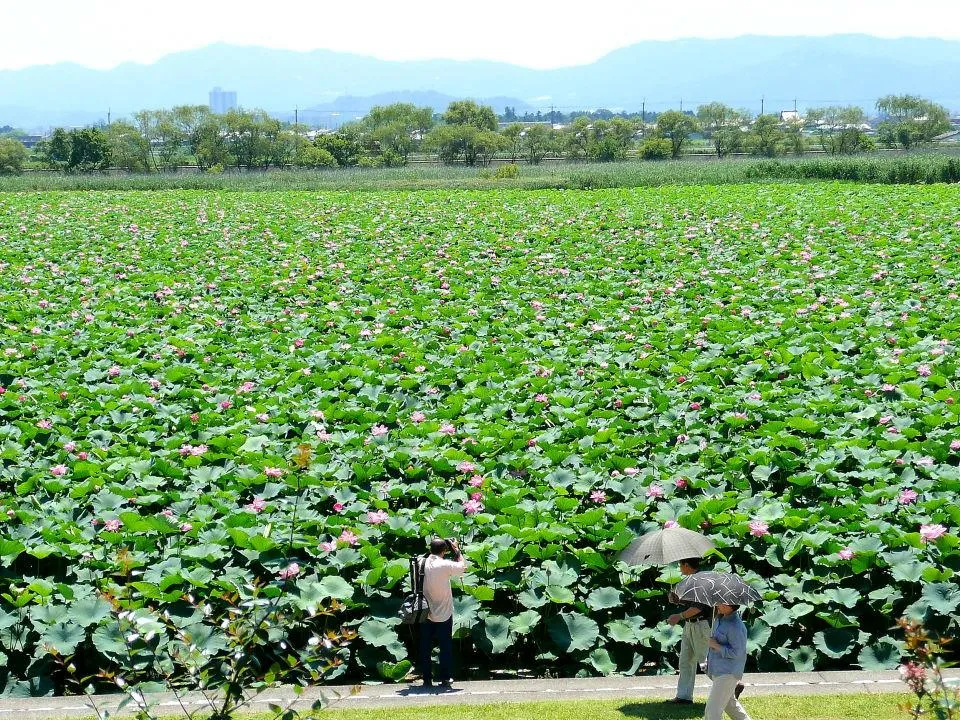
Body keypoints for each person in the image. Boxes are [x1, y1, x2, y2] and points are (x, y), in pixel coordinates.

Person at [418, 537, 467, 688]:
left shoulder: (420, 562)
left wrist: (434, 549)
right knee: (445, 646)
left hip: (424, 611)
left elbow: (427, 556)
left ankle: (427, 679)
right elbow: (463, 567)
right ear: (445, 551)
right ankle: (445, 678)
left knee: (425, 646)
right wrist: (457, 550)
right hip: (444, 613)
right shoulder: (445, 564)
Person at [666, 557, 712, 704]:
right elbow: (693, 602)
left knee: (705, 662)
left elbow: (699, 607)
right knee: (685, 660)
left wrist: (678, 616)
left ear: (686, 565)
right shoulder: (692, 580)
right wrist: (678, 600)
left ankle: (731, 686)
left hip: (701, 625)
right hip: (690, 625)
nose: (679, 567)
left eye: (680, 564)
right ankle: (683, 696)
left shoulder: (700, 581)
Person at [704, 603, 752, 720]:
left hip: (728, 673)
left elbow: (737, 653)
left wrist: (716, 645)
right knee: (731, 706)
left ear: (731, 606)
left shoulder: (736, 626)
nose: (717, 604)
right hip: (718, 670)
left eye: (721, 603)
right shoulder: (719, 619)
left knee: (712, 712)